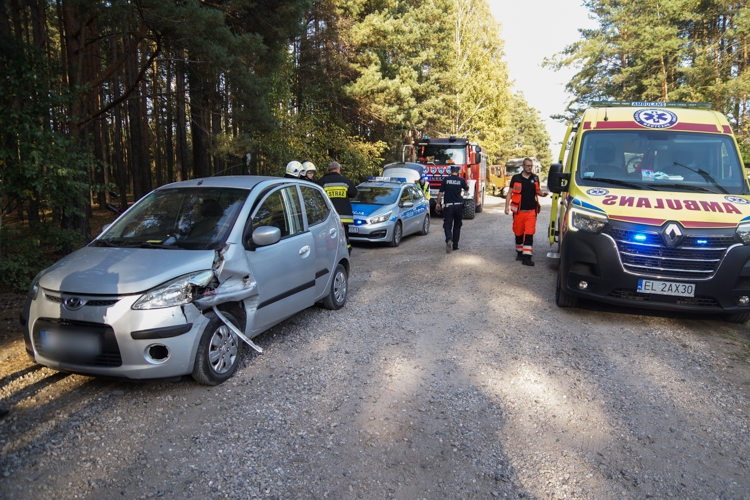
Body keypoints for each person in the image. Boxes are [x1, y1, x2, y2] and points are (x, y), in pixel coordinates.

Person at [504, 157, 549, 266]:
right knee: (518, 233)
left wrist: (543, 194)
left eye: (531, 166)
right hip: (519, 212)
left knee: (529, 233)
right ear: (523, 166)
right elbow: (510, 193)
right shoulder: (516, 178)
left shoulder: (535, 178)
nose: (530, 167)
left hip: (531, 211)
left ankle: (527, 257)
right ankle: (519, 253)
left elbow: (538, 191)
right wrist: (506, 207)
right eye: (528, 165)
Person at [317, 161, 358, 251]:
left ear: (329, 170)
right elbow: (353, 193)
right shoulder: (345, 181)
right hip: (344, 217)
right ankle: (346, 252)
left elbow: (316, 195)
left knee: (330, 237)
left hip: (329, 218)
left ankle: (332, 253)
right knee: (344, 236)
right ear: (338, 170)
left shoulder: (322, 181)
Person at [435, 164, 468, 253]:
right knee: (457, 226)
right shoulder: (461, 180)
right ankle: (455, 246)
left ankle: (449, 239)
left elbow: (440, 193)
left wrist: (438, 203)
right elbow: (466, 189)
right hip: (459, 205)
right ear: (458, 172)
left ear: (450, 171)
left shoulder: (446, 180)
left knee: (447, 225)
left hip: (448, 206)